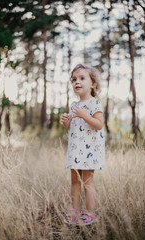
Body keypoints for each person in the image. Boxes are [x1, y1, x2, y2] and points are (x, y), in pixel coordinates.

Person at [61, 64, 105, 225]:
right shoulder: (74, 105)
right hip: (76, 149)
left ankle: (90, 213)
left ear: (92, 84)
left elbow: (98, 124)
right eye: (74, 79)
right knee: (74, 180)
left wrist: (85, 115)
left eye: (81, 78)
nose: (76, 82)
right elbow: (73, 128)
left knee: (87, 181)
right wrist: (67, 123)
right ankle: (74, 211)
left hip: (90, 150)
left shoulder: (95, 104)